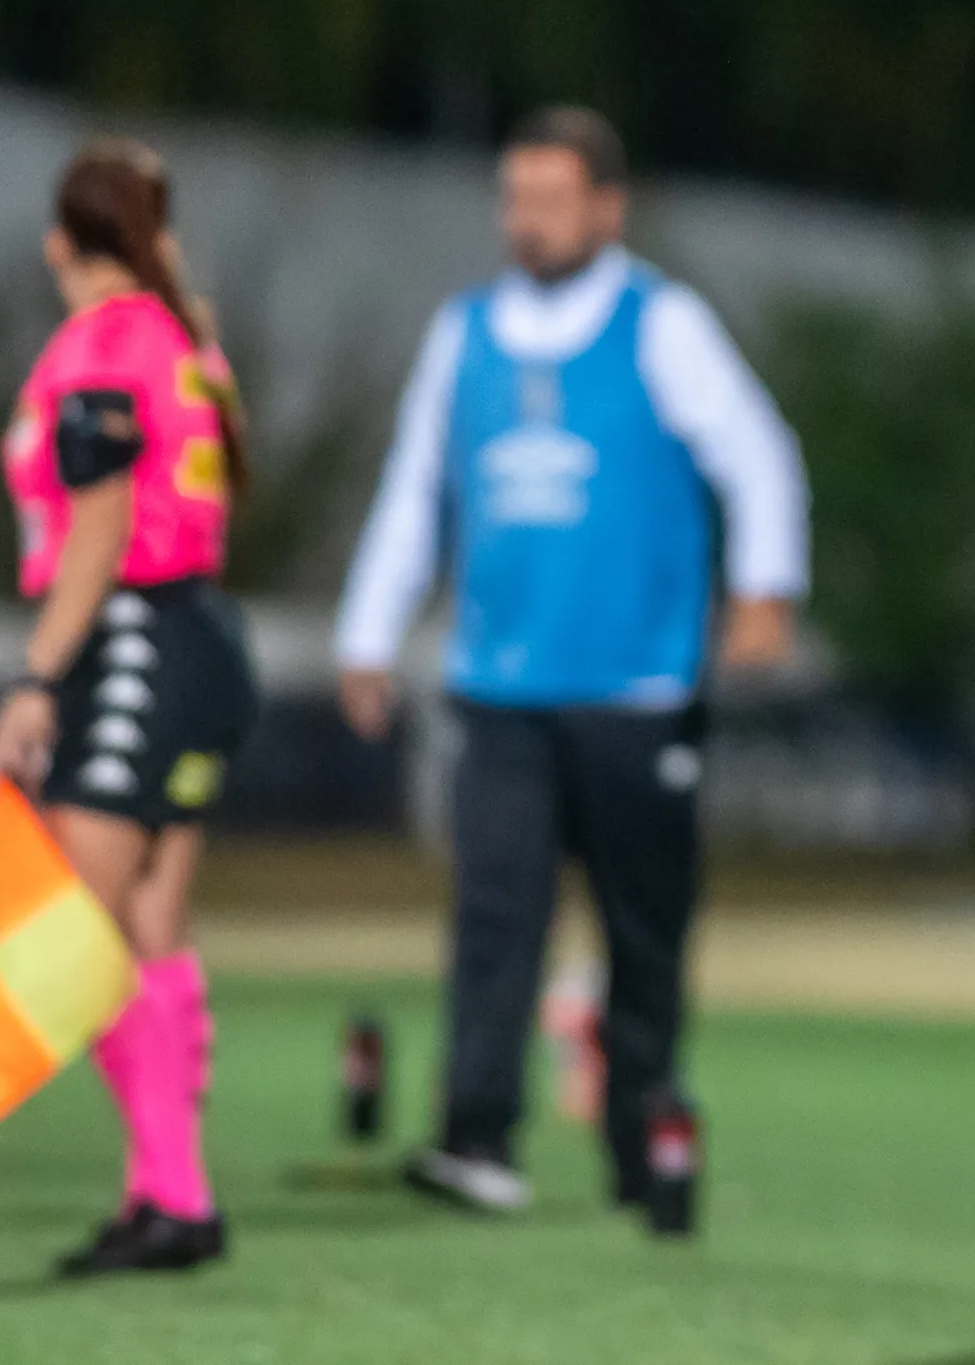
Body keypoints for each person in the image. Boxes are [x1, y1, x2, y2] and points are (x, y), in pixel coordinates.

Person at [334, 106, 808, 1214]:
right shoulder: (465, 333)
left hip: (636, 691)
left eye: (552, 201)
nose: (529, 222)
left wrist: (765, 592)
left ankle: (645, 1148)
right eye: (516, 200)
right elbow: (415, 489)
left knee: (645, 931)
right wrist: (368, 634)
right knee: (495, 916)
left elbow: (758, 455)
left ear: (606, 206)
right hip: (497, 687)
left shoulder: (662, 324)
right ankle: (477, 1139)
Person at [0, 137, 258, 1275]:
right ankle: (170, 1198)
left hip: (135, 640)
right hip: (195, 636)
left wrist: (37, 680)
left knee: (61, 924)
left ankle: (174, 1192)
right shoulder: (189, 337)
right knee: (144, 928)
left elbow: (98, 529)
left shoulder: (101, 345)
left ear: (60, 243)